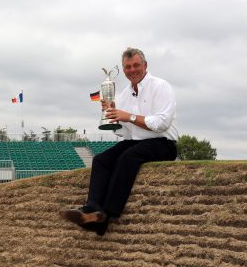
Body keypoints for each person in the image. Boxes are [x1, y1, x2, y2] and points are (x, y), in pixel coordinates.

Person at [60, 47, 179, 236]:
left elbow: (162, 123)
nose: (132, 70)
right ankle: (92, 209)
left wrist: (128, 116)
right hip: (136, 141)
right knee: (101, 160)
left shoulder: (160, 86)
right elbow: (124, 132)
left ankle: (106, 216)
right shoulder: (123, 94)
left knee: (128, 158)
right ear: (123, 70)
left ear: (145, 65)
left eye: (136, 65)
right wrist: (113, 116)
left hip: (163, 142)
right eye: (128, 67)